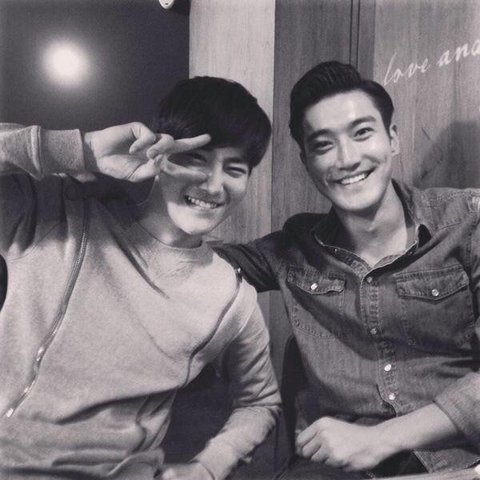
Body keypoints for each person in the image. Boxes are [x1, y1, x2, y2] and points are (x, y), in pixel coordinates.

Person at [0, 76, 280, 480]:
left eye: (234, 169)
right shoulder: (57, 215)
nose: (214, 184)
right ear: (158, 155)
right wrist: (83, 150)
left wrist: (207, 467)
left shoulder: (231, 297)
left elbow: (261, 402)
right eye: (195, 158)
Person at [216, 61, 480, 479]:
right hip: (336, 465)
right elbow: (183, 263)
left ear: (392, 138)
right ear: (307, 162)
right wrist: (148, 186)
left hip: (460, 458)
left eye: (362, 133)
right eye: (323, 145)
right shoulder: (294, 249)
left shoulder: (466, 221)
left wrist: (383, 438)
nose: (347, 159)